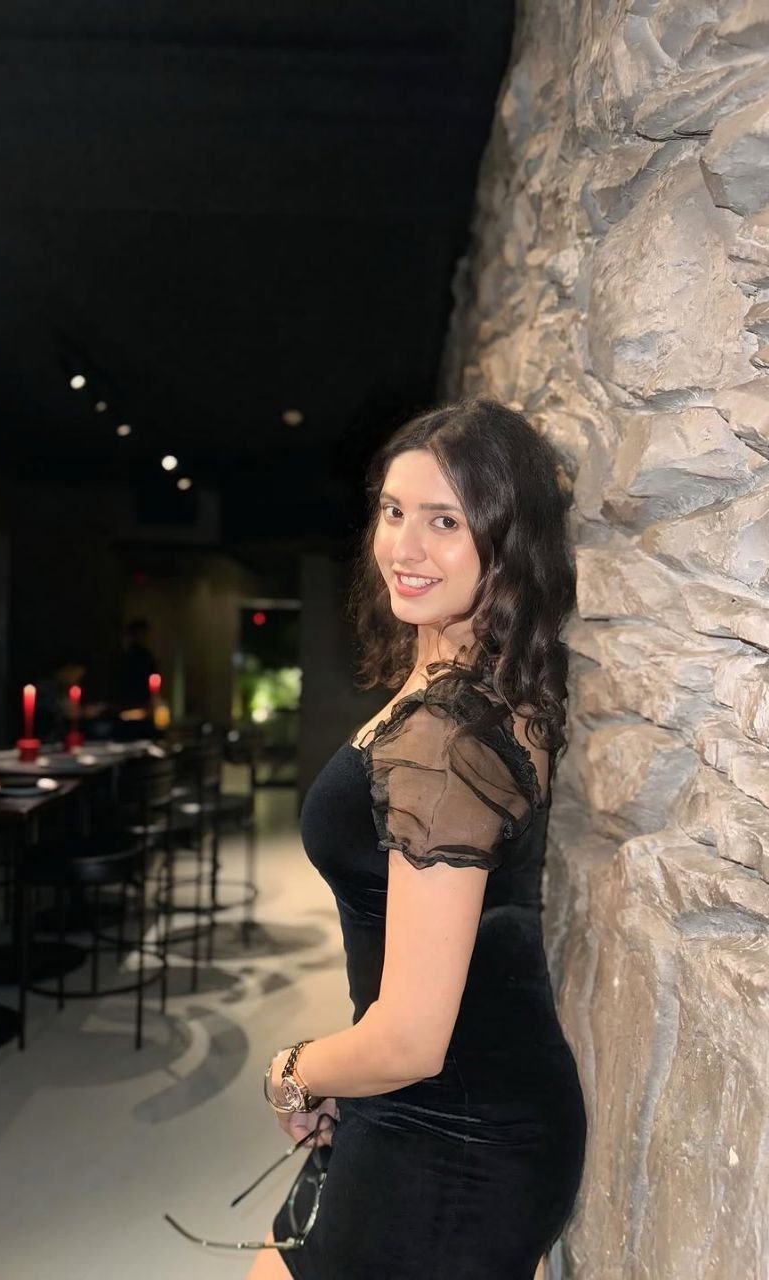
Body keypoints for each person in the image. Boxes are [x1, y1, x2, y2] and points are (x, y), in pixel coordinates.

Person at [250, 399, 586, 1280]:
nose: (404, 546)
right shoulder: (459, 681)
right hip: (419, 1105)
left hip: (453, 1138)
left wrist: (292, 1070)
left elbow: (410, 1038)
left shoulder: (447, 733)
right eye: (394, 511)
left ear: (505, 544)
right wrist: (344, 1077)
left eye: (444, 521)